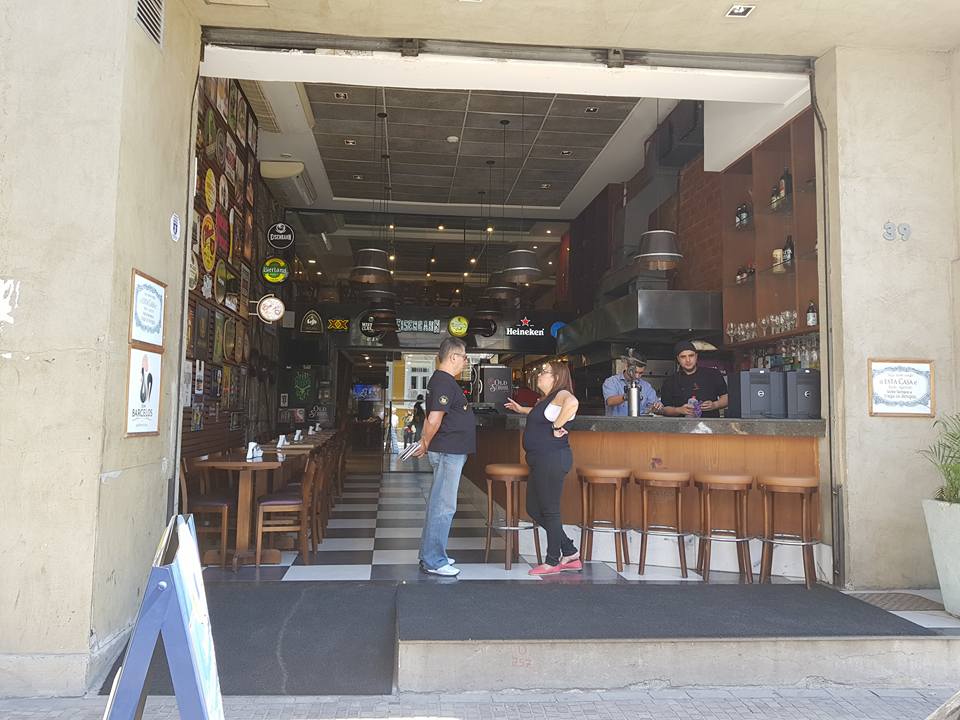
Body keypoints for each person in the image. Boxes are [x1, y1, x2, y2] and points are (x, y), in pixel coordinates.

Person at [505, 361, 581, 575]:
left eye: (545, 372)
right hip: (541, 460)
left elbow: (573, 403)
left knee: (549, 509)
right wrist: (522, 409)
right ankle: (570, 552)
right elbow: (544, 414)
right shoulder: (547, 400)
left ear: (557, 377)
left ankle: (553, 561)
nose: (539, 375)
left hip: (552, 458)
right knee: (533, 509)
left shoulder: (562, 394)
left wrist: (558, 426)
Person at [413, 338, 475, 577]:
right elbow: (434, 419)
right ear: (453, 357)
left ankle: (429, 554)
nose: (465, 362)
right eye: (464, 357)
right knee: (444, 506)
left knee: (438, 503)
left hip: (450, 449)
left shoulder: (442, 381)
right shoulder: (444, 381)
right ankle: (434, 560)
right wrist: (425, 442)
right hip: (449, 451)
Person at [658, 341, 729, 418]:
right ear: (678, 359)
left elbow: (727, 398)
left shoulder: (713, 374)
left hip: (710, 424)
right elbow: (663, 409)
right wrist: (678, 410)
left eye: (691, 355)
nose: (688, 360)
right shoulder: (670, 381)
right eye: (683, 357)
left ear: (696, 356)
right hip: (681, 425)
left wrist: (715, 405)